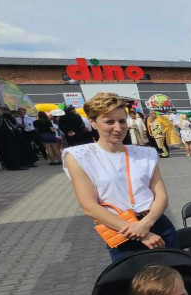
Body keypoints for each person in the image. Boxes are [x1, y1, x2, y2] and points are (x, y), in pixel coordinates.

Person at [64, 93, 173, 262]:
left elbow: (161, 195)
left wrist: (146, 224)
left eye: (122, 121)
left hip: (157, 225)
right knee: (135, 285)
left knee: (175, 278)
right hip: (121, 231)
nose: (118, 128)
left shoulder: (145, 153)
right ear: (92, 122)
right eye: (109, 122)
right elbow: (89, 206)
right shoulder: (79, 156)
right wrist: (141, 234)